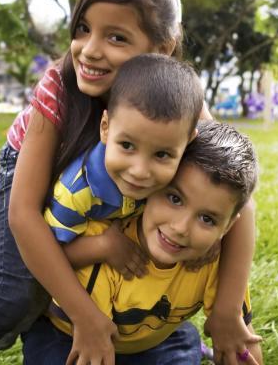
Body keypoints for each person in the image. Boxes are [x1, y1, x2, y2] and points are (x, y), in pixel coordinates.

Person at [0, 0, 257, 365]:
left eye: (116, 38)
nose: (89, 51)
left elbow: (238, 198)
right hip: (36, 166)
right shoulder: (59, 85)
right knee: (12, 292)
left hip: (123, 175)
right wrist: (86, 318)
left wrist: (228, 311)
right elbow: (23, 215)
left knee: (154, 256)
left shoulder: (177, 98)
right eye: (83, 29)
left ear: (162, 49)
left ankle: (160, 340)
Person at [22, 120, 263, 365]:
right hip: (72, 336)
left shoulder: (217, 262)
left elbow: (242, 346)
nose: (180, 228)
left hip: (158, 342)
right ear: (150, 186)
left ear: (228, 227)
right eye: (174, 198)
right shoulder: (108, 247)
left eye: (206, 218)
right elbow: (93, 345)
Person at [44, 53, 204, 282]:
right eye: (127, 145)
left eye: (162, 154)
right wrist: (103, 246)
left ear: (187, 143)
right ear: (106, 127)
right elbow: (50, 256)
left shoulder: (181, 177)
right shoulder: (76, 190)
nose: (139, 171)